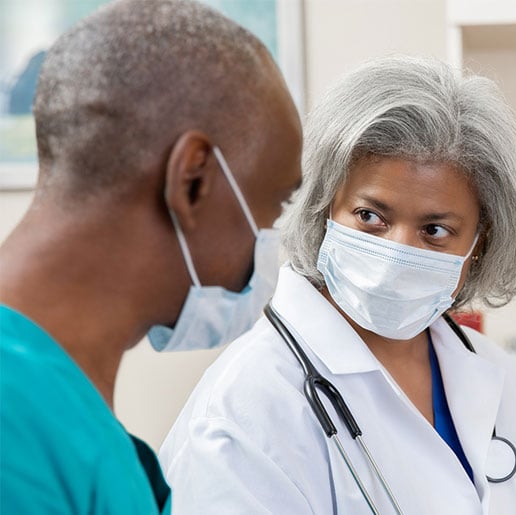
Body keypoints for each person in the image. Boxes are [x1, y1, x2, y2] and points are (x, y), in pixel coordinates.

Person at [161, 55, 516, 514]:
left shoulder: (505, 380)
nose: (396, 251)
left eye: (435, 231)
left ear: (478, 243)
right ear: (323, 207)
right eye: (370, 216)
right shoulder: (245, 408)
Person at [0, 0, 302, 513]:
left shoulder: (70, 418)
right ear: (193, 181)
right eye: (275, 204)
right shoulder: (17, 428)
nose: (272, 239)